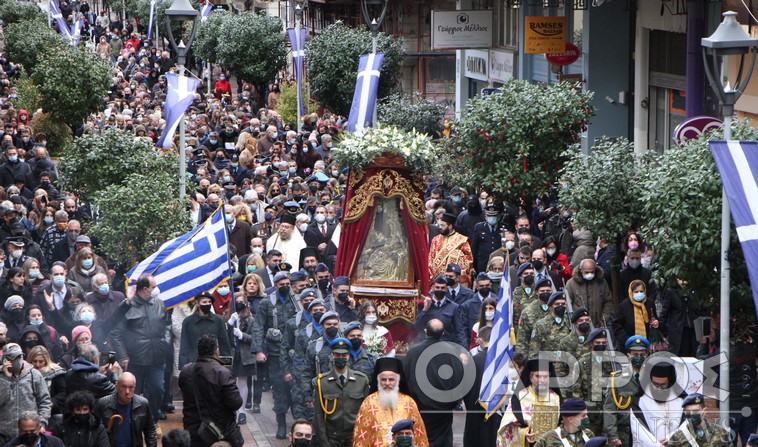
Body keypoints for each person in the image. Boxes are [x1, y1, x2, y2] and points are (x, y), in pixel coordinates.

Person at [111, 274, 170, 421]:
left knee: (157, 390)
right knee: (130, 393)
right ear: (145, 289)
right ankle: (130, 421)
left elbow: (167, 325)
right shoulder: (127, 306)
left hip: (157, 358)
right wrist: (123, 356)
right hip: (134, 360)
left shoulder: (159, 304)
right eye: (154, 287)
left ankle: (153, 420)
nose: (157, 289)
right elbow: (116, 333)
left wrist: (165, 343)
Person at [251, 271, 298, 439]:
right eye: (281, 284)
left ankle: (298, 426)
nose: (285, 287)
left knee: (297, 391)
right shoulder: (267, 303)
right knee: (279, 390)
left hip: (295, 352)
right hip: (275, 353)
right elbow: (258, 327)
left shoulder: (296, 301)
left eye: (287, 283)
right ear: (275, 285)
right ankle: (281, 425)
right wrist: (258, 350)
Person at [404, 319, 463, 447]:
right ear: (442, 334)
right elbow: (459, 381)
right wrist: (452, 403)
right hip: (443, 409)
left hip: (420, 407)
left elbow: (405, 378)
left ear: (425, 331)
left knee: (420, 439)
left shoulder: (413, 352)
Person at [178, 334, 242, 447]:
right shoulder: (223, 373)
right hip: (218, 433)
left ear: (198, 351)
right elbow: (235, 403)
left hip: (192, 430)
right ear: (216, 351)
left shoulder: (186, 371)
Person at [353, 358, 429, 447]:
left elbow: (419, 435)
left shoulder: (409, 403)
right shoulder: (369, 403)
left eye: (391, 379)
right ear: (378, 380)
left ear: (397, 380)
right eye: (383, 380)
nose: (387, 383)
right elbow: (361, 438)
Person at [312, 338, 370, 447]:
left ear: (348, 356)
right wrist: (324, 442)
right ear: (332, 356)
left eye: (344, 355)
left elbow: (365, 413)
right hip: (332, 438)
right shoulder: (322, 382)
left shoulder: (361, 381)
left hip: (354, 437)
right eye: (337, 355)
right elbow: (318, 415)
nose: (340, 358)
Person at [497, 358, 561, 447]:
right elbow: (506, 426)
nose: (542, 380)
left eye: (545, 377)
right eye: (538, 376)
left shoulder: (556, 398)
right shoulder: (520, 396)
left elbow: (562, 424)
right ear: (530, 378)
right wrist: (524, 433)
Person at [0, 343, 52, 445]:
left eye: (19, 356)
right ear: (6, 359)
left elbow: (45, 401)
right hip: (4, 434)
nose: (17, 360)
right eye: (13, 358)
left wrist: (41, 422)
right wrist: (6, 380)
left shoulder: (34, 375)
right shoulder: (1, 377)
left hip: (29, 433)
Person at [602, 335, 649, 446]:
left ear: (646, 355)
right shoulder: (617, 379)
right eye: (635, 354)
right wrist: (613, 435)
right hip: (625, 433)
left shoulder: (652, 378)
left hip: (647, 431)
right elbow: (609, 408)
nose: (639, 357)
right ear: (629, 355)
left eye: (642, 354)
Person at [94, 372, 158, 447]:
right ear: (116, 386)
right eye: (123, 387)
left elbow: (150, 430)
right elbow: (94, 430)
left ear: (135, 387)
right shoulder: (103, 404)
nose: (127, 391)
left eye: (131, 387)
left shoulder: (143, 404)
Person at [462, 326, 502, 445]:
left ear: (480, 339)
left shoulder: (473, 361)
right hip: (497, 412)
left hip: (476, 412)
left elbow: (465, 389)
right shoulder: (502, 361)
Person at [178, 292, 232, 369]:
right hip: (194, 362)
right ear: (197, 303)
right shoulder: (188, 321)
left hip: (213, 362)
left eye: (209, 302)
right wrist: (183, 366)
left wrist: (228, 366)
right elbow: (184, 345)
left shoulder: (218, 320)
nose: (207, 304)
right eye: (204, 302)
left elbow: (224, 344)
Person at [225, 292, 256, 425]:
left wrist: (242, 335)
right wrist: (229, 324)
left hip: (244, 354)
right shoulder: (227, 316)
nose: (239, 304)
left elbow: (254, 338)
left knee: (243, 382)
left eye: (241, 301)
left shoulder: (251, 319)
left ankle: (242, 411)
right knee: (228, 382)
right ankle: (230, 408)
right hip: (231, 353)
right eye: (236, 301)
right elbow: (223, 336)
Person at [414, 275, 464, 347]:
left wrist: (463, 351)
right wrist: (425, 309)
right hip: (426, 346)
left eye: (442, 288)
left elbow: (459, 331)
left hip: (445, 346)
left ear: (446, 289)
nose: (440, 290)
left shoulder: (454, 307)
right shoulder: (423, 304)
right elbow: (417, 326)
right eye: (437, 287)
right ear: (433, 288)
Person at [611, 280, 660, 351]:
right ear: (631, 292)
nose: (639, 293)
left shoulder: (649, 304)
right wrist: (627, 339)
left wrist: (657, 323)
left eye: (641, 291)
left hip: (648, 345)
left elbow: (655, 319)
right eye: (636, 292)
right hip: (628, 345)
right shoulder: (624, 306)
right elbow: (616, 325)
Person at [428, 213, 473, 279]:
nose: (440, 227)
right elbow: (431, 258)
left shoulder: (462, 240)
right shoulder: (436, 239)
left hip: (454, 277)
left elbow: (468, 259)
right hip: (438, 278)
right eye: (440, 225)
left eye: (443, 225)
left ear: (450, 226)